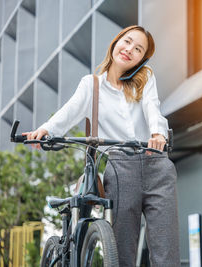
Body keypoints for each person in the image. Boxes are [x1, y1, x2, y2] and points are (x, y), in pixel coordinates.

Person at [23, 25, 180, 267]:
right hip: (121, 169)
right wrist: (46, 130)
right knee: (121, 253)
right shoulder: (91, 85)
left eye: (138, 49)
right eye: (127, 41)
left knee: (166, 252)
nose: (129, 50)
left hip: (156, 164)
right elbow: (69, 112)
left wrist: (158, 133)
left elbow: (152, 107)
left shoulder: (145, 78)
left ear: (142, 58)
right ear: (116, 41)